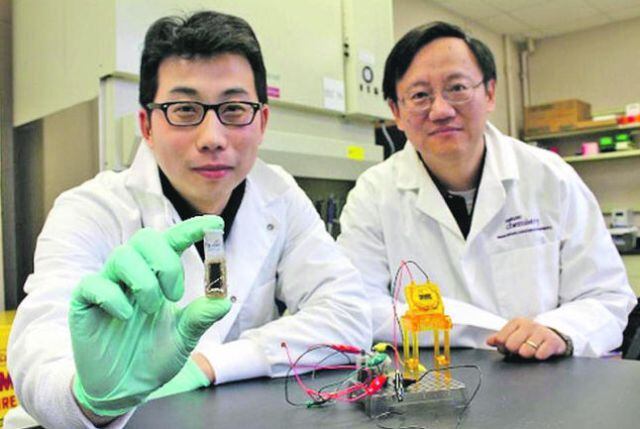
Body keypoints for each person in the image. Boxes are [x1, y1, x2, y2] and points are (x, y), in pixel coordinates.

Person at [7, 11, 371, 429]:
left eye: (234, 109)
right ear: (146, 125)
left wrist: (209, 364)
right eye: (184, 109)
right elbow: (36, 352)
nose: (212, 138)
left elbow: (348, 314)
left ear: (262, 122)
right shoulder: (91, 209)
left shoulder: (279, 195)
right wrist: (92, 399)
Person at [337, 21, 636, 361]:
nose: (441, 110)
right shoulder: (373, 194)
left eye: (457, 88)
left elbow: (607, 296)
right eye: (420, 95)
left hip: (544, 373)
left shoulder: (550, 177)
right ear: (397, 112)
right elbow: (355, 304)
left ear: (490, 93)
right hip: (430, 378)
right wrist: (477, 328)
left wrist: (558, 331)